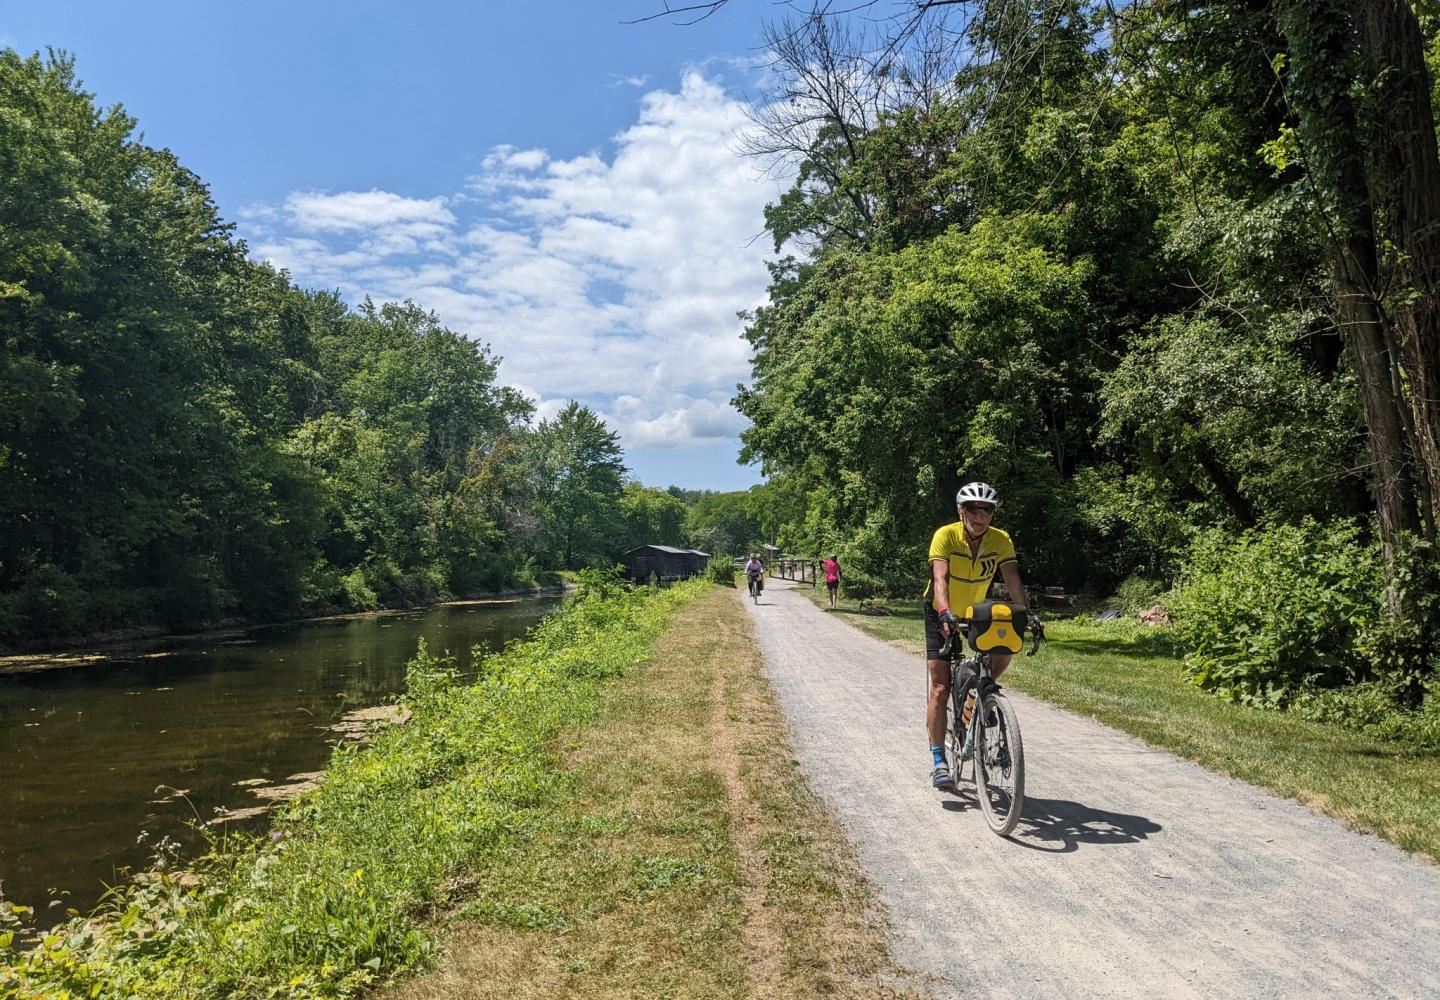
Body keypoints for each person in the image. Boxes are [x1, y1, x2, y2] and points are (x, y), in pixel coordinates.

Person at [923, 482, 1027, 789]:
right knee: (941, 687)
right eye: (973, 509)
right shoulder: (945, 535)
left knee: (1004, 647)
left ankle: (981, 693)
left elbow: (1012, 579)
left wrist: (1024, 613)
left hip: (975, 611)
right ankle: (939, 759)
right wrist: (944, 612)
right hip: (939, 610)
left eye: (987, 510)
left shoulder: (1000, 540)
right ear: (960, 510)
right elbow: (939, 579)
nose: (980, 516)